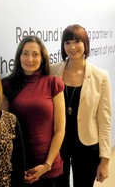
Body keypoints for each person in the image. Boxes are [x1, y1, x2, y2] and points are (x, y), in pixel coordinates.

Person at [50, 24, 111, 187]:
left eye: (77, 41)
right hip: (58, 143)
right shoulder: (52, 71)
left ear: (85, 43)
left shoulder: (100, 76)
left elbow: (104, 120)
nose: (72, 47)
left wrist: (105, 160)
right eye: (67, 42)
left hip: (87, 145)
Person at [1, 36, 66, 187]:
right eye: (25, 53)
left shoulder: (53, 84)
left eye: (35, 54)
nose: (30, 59)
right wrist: (16, 167)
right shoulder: (6, 85)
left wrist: (46, 165)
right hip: (20, 165)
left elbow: (60, 129)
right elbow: (4, 130)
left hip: (49, 165)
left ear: (43, 58)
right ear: (19, 57)